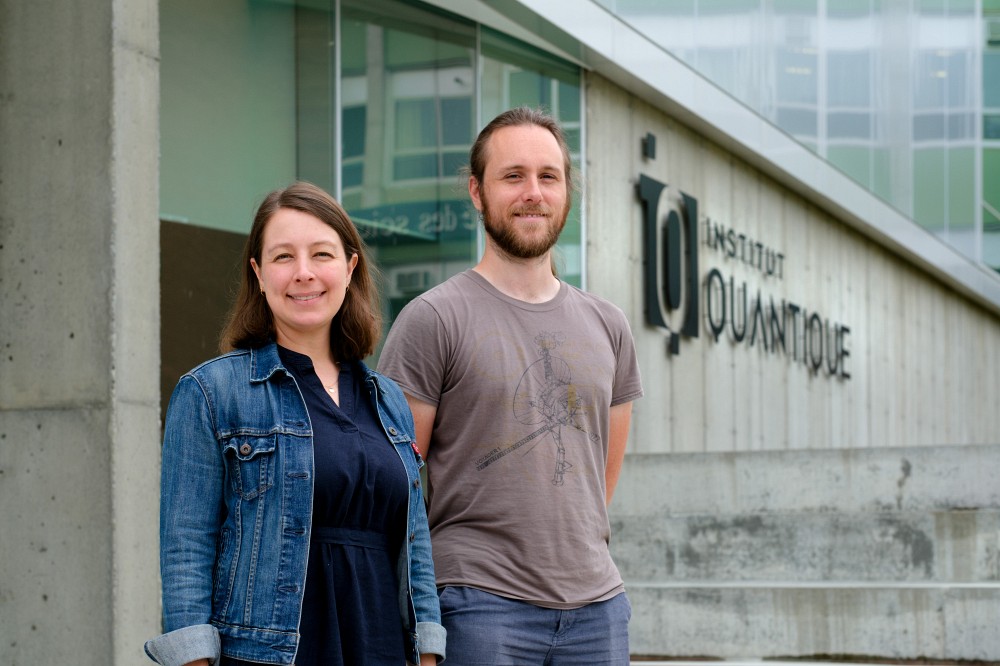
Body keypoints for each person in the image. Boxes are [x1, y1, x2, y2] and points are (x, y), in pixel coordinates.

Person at [377, 107, 644, 665]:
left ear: (567, 192)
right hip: (477, 607)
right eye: (513, 176)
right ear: (477, 192)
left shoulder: (609, 325)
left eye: (548, 176)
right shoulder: (433, 319)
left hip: (598, 610)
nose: (533, 193)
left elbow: (600, 478)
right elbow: (395, 487)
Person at [144, 182, 445, 666]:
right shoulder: (210, 392)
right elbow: (186, 549)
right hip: (268, 654)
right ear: (259, 274)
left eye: (321, 254)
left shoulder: (388, 400)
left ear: (349, 268)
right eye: (283, 257)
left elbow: (414, 545)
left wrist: (427, 652)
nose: (304, 272)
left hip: (381, 647)